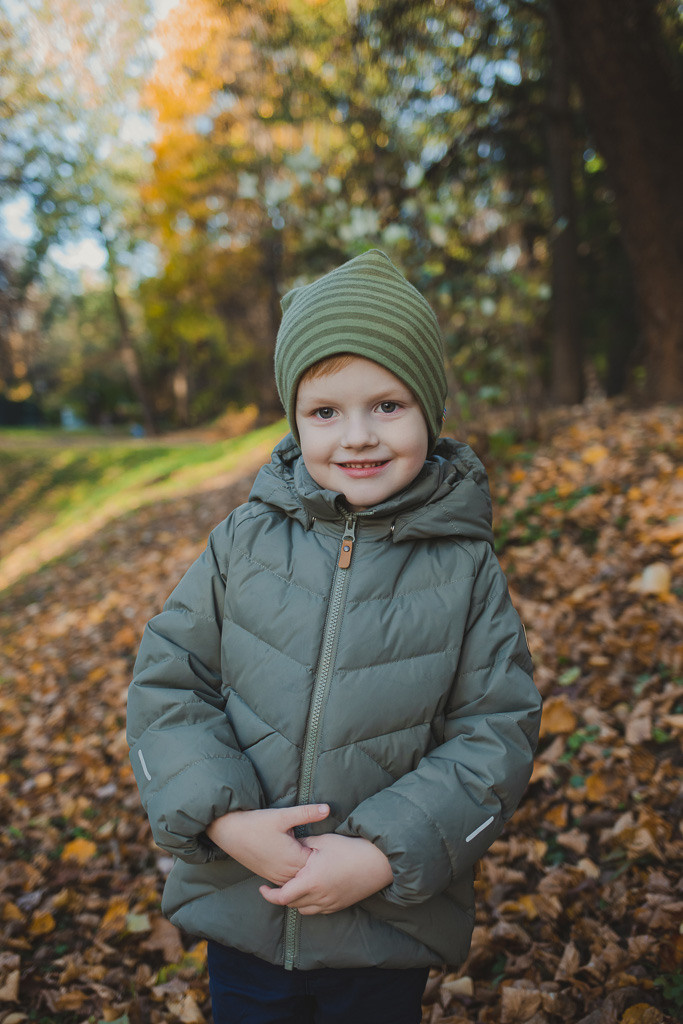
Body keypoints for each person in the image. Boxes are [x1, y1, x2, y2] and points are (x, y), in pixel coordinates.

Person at [126, 249, 542, 1024]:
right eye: (325, 412)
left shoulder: (463, 566)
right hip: (244, 902)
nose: (358, 437)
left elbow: (496, 730)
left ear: (430, 410)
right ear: (294, 418)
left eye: (388, 405)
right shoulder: (242, 542)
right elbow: (168, 682)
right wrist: (222, 819)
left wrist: (384, 854)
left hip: (380, 924)